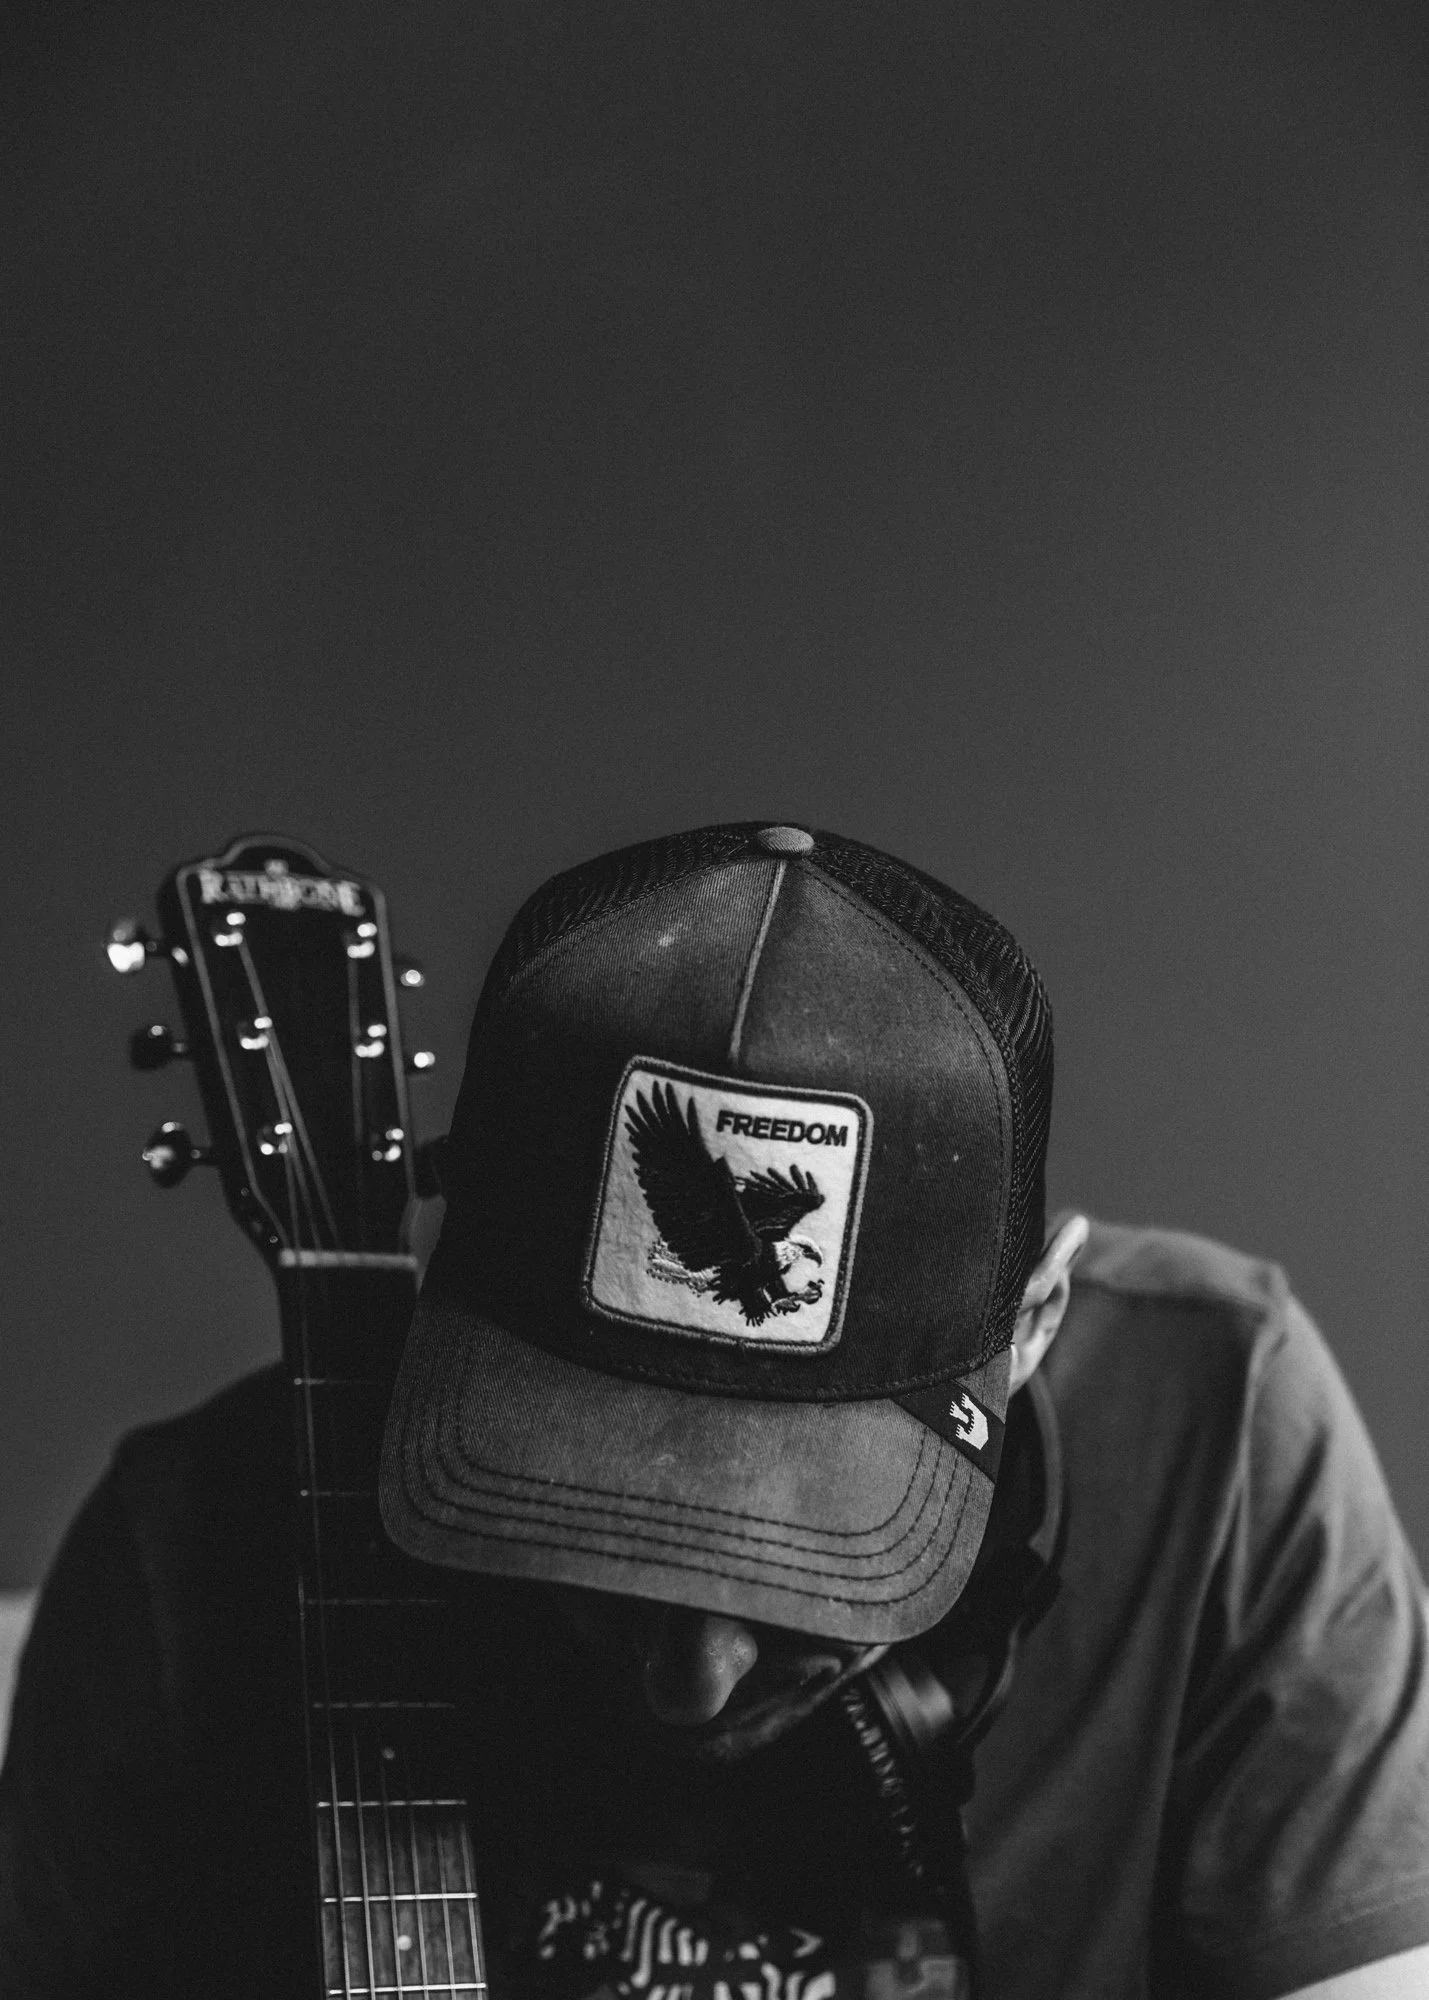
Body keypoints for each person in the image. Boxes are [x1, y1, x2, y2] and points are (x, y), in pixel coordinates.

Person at [3, 820, 1428, 2000]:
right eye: (597, 1534)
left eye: (811, 1555)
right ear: (446, 1335)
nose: (687, 1682)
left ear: (1031, 1331)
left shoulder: (1218, 1413)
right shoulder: (188, 1545)